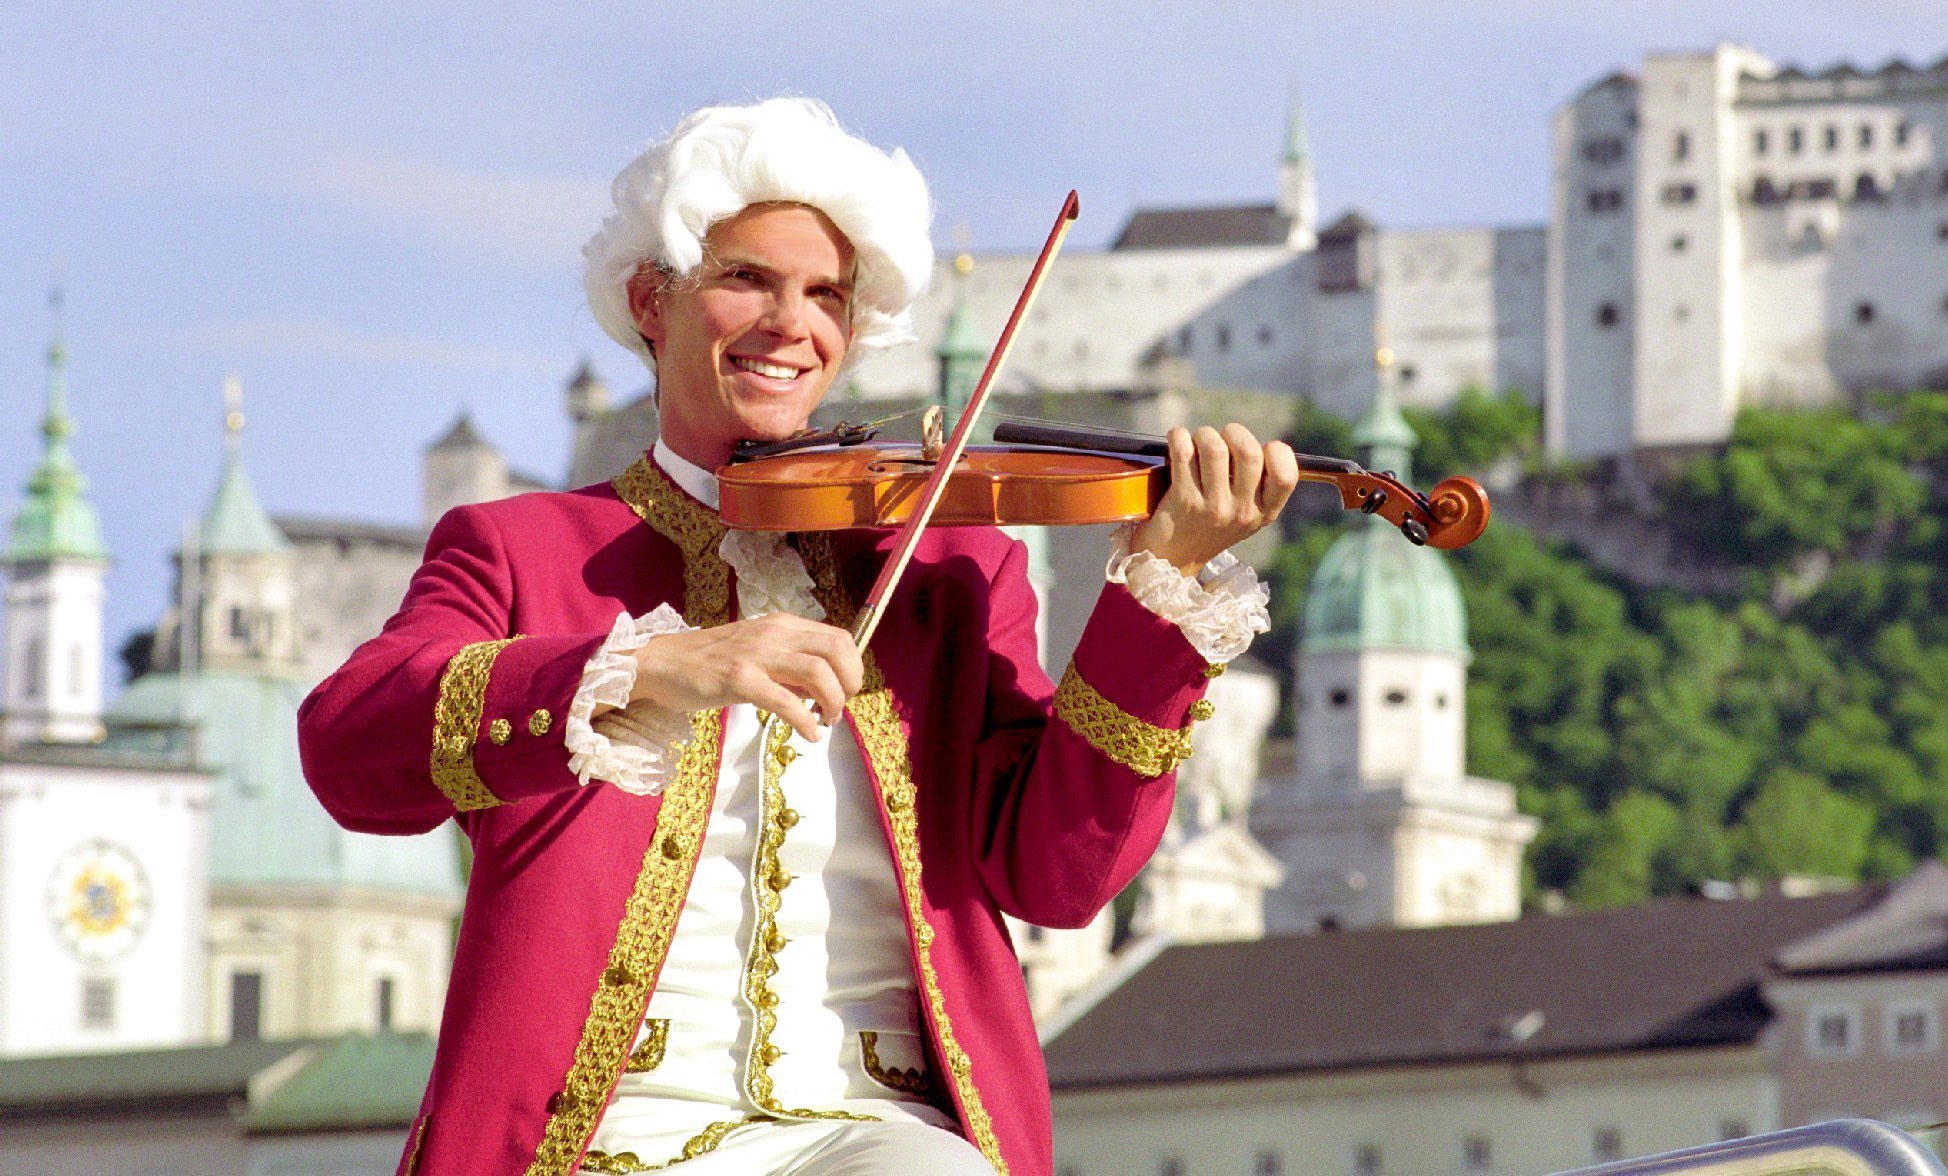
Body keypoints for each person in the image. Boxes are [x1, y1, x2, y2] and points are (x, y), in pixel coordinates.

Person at [298, 98, 1298, 1176]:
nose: (792, 324)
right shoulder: (520, 546)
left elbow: (1057, 876)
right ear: (651, 300)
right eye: (747, 281)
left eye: (827, 295)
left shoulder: (951, 571)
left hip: (877, 1131)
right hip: (598, 1135)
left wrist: (1162, 589)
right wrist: (653, 664)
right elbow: (350, 750)